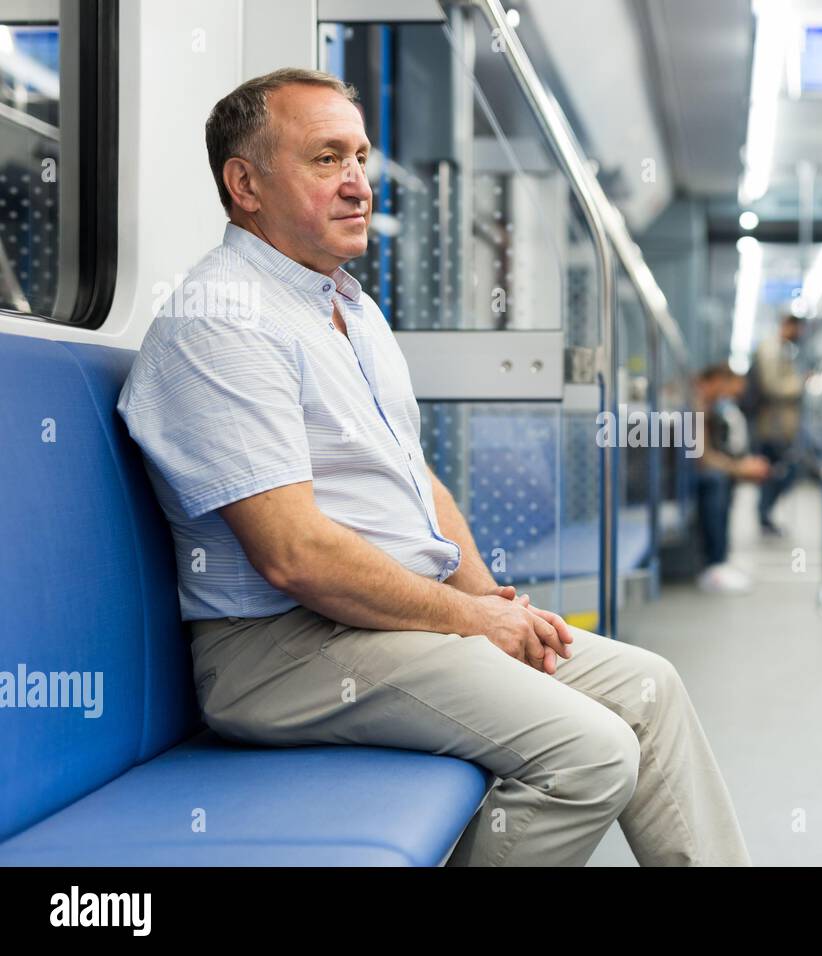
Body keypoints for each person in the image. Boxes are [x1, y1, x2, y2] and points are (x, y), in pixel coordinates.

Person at [115, 68, 750, 867]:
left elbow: (417, 478)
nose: (358, 184)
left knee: (650, 689)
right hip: (282, 651)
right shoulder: (222, 320)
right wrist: (471, 621)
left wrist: (482, 594)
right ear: (244, 184)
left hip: (388, 622)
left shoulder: (349, 306)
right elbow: (293, 554)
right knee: (590, 754)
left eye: (361, 157)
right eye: (325, 159)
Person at [692, 365, 770, 594]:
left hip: (690, 472)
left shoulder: (709, 408)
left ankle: (722, 559)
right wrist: (739, 468)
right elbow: (702, 457)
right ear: (716, 380)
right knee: (717, 481)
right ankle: (714, 564)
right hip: (681, 476)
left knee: (722, 480)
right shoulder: (695, 406)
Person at [751, 313, 806, 536]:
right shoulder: (772, 350)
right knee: (779, 471)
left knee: (777, 471)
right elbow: (772, 386)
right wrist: (799, 385)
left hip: (777, 425)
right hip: (772, 426)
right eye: (798, 329)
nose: (800, 334)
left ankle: (765, 515)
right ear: (787, 326)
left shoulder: (781, 350)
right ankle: (764, 515)